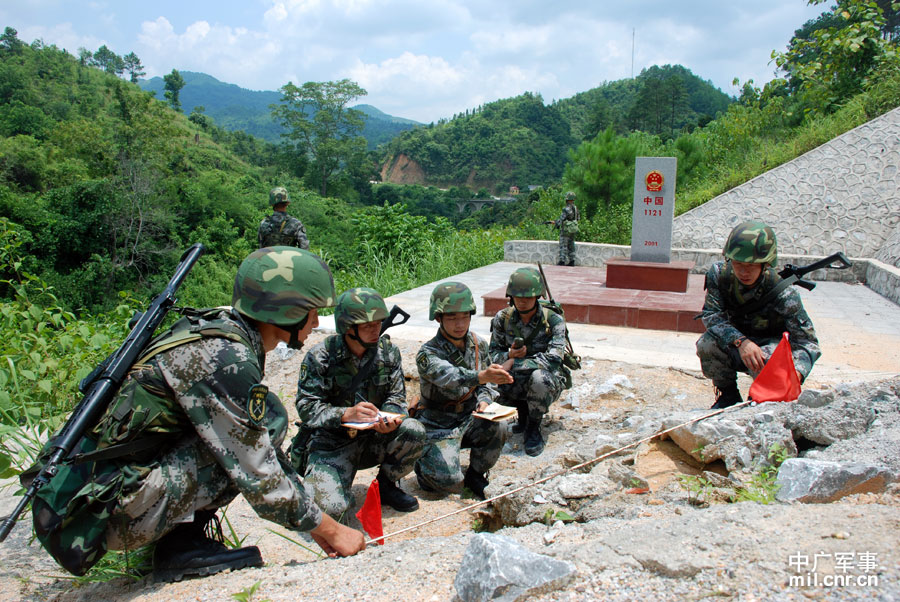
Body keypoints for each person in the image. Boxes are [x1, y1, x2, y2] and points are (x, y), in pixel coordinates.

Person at [92, 247, 365, 582]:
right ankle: (180, 548)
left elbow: (263, 449)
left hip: (117, 492)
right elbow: (259, 473)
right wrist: (333, 530)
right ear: (283, 311)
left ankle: (180, 540)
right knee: (259, 427)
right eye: (310, 311)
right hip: (115, 512)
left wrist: (314, 516)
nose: (316, 322)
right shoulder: (226, 357)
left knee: (265, 417)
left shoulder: (222, 333)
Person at [295, 287, 426, 520]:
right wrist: (344, 414)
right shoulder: (321, 357)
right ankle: (333, 482)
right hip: (332, 442)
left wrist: (391, 419)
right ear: (348, 328)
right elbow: (307, 406)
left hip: (373, 438)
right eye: (367, 326)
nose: (376, 330)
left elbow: (396, 397)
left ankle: (386, 486)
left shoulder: (388, 353)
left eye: (378, 323)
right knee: (331, 512)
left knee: (413, 431)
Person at [696, 221, 821, 409]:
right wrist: (741, 342)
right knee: (706, 344)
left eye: (751, 266)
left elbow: (807, 342)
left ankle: (760, 402)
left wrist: (796, 372)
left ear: (765, 264)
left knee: (768, 361)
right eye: (738, 264)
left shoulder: (784, 294)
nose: (744, 272)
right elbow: (712, 315)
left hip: (769, 350)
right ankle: (728, 396)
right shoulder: (720, 275)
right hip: (737, 344)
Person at [413, 282, 512, 500]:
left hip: (469, 416)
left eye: (465, 317)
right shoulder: (428, 353)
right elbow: (450, 376)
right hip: (437, 422)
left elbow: (487, 385)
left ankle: (476, 473)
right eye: (452, 318)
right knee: (445, 482)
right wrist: (481, 376)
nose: (460, 324)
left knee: (499, 426)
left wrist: (484, 401)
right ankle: (423, 465)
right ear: (439, 318)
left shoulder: (479, 344)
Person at [489, 267, 569, 456]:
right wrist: (508, 355)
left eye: (528, 297)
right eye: (518, 296)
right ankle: (522, 414)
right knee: (488, 379)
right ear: (511, 296)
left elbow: (554, 359)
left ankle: (533, 427)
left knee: (539, 378)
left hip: (545, 380)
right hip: (514, 379)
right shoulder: (502, 319)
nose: (523, 301)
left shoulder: (554, 320)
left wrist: (513, 364)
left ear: (538, 296)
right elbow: (492, 353)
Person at [555, 191, 580, 266]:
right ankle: (572, 260)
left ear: (567, 199)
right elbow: (578, 218)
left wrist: (557, 223)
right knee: (571, 245)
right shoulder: (576, 208)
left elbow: (562, 218)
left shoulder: (566, 209)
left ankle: (562, 260)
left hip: (566, 230)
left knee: (563, 244)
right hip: (573, 229)